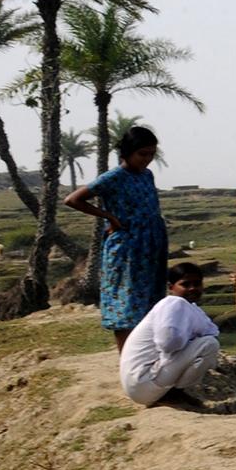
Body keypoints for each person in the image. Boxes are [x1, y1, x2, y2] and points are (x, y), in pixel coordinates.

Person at [66, 125, 169, 351]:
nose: (147, 159)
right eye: (142, 154)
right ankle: (127, 359)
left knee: (151, 298)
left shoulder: (147, 175)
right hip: (127, 246)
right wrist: (108, 217)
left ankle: (146, 355)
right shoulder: (114, 177)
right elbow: (73, 200)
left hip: (151, 243)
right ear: (127, 153)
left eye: (151, 154)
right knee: (127, 301)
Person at [118, 261, 222, 409]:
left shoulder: (187, 307)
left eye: (197, 284)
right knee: (209, 344)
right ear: (171, 287)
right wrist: (190, 339)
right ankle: (174, 393)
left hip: (139, 386)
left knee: (206, 343)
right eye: (185, 285)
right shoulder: (174, 304)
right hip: (144, 382)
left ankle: (172, 392)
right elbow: (168, 343)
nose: (193, 288)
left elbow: (211, 330)